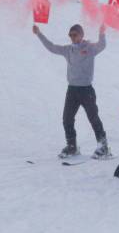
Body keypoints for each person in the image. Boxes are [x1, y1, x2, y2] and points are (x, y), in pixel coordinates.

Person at [32, 23, 111, 159]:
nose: (72, 37)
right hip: (72, 90)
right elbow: (52, 47)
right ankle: (72, 146)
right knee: (67, 119)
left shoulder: (90, 48)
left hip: (86, 90)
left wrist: (102, 33)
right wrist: (39, 33)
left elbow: (102, 46)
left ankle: (103, 146)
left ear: (81, 35)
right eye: (70, 35)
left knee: (93, 118)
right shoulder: (68, 50)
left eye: (75, 35)